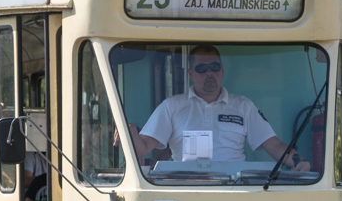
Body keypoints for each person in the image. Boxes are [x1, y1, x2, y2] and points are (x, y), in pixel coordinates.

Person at [132, 45, 308, 169]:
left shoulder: (243, 106)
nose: (209, 73)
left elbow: (274, 145)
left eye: (214, 67)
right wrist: (129, 131)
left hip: (235, 190)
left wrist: (299, 161)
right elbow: (144, 147)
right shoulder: (172, 106)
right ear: (191, 74)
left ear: (222, 70)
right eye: (202, 68)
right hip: (185, 190)